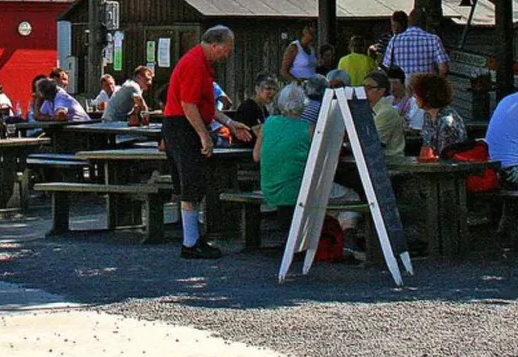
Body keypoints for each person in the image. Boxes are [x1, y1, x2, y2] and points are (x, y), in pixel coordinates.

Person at [163, 25, 252, 259]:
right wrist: (204, 135)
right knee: (190, 184)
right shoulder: (194, 64)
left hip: (184, 124)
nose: (227, 54)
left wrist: (230, 123)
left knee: (196, 183)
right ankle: (190, 243)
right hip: (182, 126)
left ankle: (193, 238)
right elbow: (188, 105)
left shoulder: (203, 63)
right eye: (227, 49)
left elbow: (206, 106)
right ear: (216, 45)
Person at [255, 83, 363, 238]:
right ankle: (348, 235)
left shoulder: (269, 123)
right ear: (304, 104)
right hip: (299, 189)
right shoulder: (309, 128)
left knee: (327, 195)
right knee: (351, 197)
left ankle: (327, 235)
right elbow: (328, 158)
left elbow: (256, 156)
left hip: (270, 187)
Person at [381, 9, 450, 78]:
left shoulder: (394, 40)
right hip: (425, 85)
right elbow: (443, 68)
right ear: (425, 23)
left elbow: (386, 65)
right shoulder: (434, 39)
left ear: (409, 22)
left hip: (403, 86)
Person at [360, 70, 407, 165]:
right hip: (373, 162)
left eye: (369, 88)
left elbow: (375, 143)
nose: (364, 91)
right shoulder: (365, 109)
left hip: (390, 164)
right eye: (363, 87)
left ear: (381, 91)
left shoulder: (386, 112)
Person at [414, 73, 467, 156]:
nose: (415, 98)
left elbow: (445, 156)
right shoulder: (428, 116)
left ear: (427, 96)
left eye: (417, 95)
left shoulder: (447, 122)